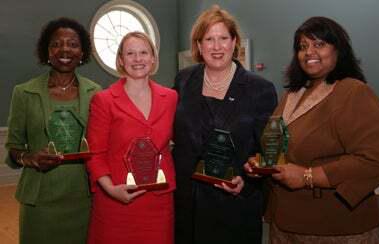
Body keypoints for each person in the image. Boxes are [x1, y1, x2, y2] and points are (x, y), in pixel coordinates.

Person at [257, 16, 379, 243]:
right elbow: (278, 145)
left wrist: (308, 176)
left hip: (334, 227)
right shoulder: (292, 95)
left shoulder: (354, 92)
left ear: (338, 49)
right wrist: (262, 165)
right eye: (303, 46)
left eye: (319, 44)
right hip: (284, 223)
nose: (309, 52)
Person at [173, 5, 277, 244]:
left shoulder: (259, 89)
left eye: (223, 38)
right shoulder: (184, 80)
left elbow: (269, 152)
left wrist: (247, 178)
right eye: (209, 39)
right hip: (187, 204)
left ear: (234, 42)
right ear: (199, 46)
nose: (217, 46)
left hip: (233, 204)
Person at [4, 17, 101, 244]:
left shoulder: (96, 93)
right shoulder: (24, 93)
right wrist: (30, 158)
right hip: (40, 201)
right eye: (56, 44)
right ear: (46, 51)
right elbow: (13, 149)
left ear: (82, 53)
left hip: (84, 198)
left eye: (73, 44)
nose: (65, 49)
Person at [86, 31, 177, 244]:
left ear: (153, 58)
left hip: (158, 201)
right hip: (117, 198)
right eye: (130, 53)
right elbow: (95, 154)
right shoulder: (104, 100)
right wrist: (110, 189)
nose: (138, 59)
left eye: (144, 52)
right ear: (121, 60)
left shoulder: (170, 97)